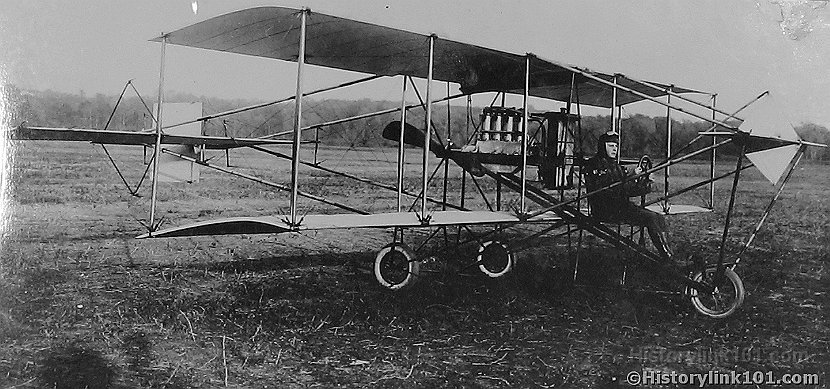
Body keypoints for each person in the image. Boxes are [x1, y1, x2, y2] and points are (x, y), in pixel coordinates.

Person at [584, 131, 674, 262]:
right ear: (602, 146)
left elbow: (626, 187)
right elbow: (616, 189)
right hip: (606, 210)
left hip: (620, 208)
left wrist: (644, 182)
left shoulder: (615, 166)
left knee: (659, 218)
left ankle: (668, 254)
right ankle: (667, 257)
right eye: (610, 145)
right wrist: (635, 181)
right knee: (651, 218)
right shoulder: (596, 165)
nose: (614, 148)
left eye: (616, 145)